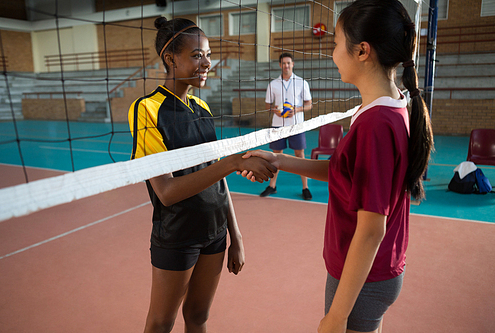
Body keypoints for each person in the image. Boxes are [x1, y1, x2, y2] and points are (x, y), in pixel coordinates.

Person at [240, 1, 433, 332]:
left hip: (362, 276)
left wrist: (336, 316)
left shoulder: (377, 122)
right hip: (369, 272)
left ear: (362, 51)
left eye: (335, 43)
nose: (332, 53)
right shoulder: (387, 104)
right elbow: (344, 171)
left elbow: (372, 229)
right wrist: (280, 160)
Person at [128, 17, 276, 333]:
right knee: (160, 322)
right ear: (170, 59)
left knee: (198, 317)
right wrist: (233, 162)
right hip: (177, 235)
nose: (207, 62)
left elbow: (218, 178)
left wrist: (235, 235)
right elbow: (166, 191)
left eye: (208, 54)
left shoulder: (202, 109)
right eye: (197, 55)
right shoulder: (147, 109)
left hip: (215, 232)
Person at [260, 52, 313, 200]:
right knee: (276, 156)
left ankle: (305, 187)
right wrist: (275, 111)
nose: (286, 66)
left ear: (293, 64)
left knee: (300, 156)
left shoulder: (302, 82)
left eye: (289, 63)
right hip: (278, 125)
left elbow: (309, 105)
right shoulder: (273, 84)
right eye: (283, 63)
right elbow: (267, 106)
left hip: (296, 125)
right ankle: (272, 186)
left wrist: (296, 110)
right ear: (280, 65)